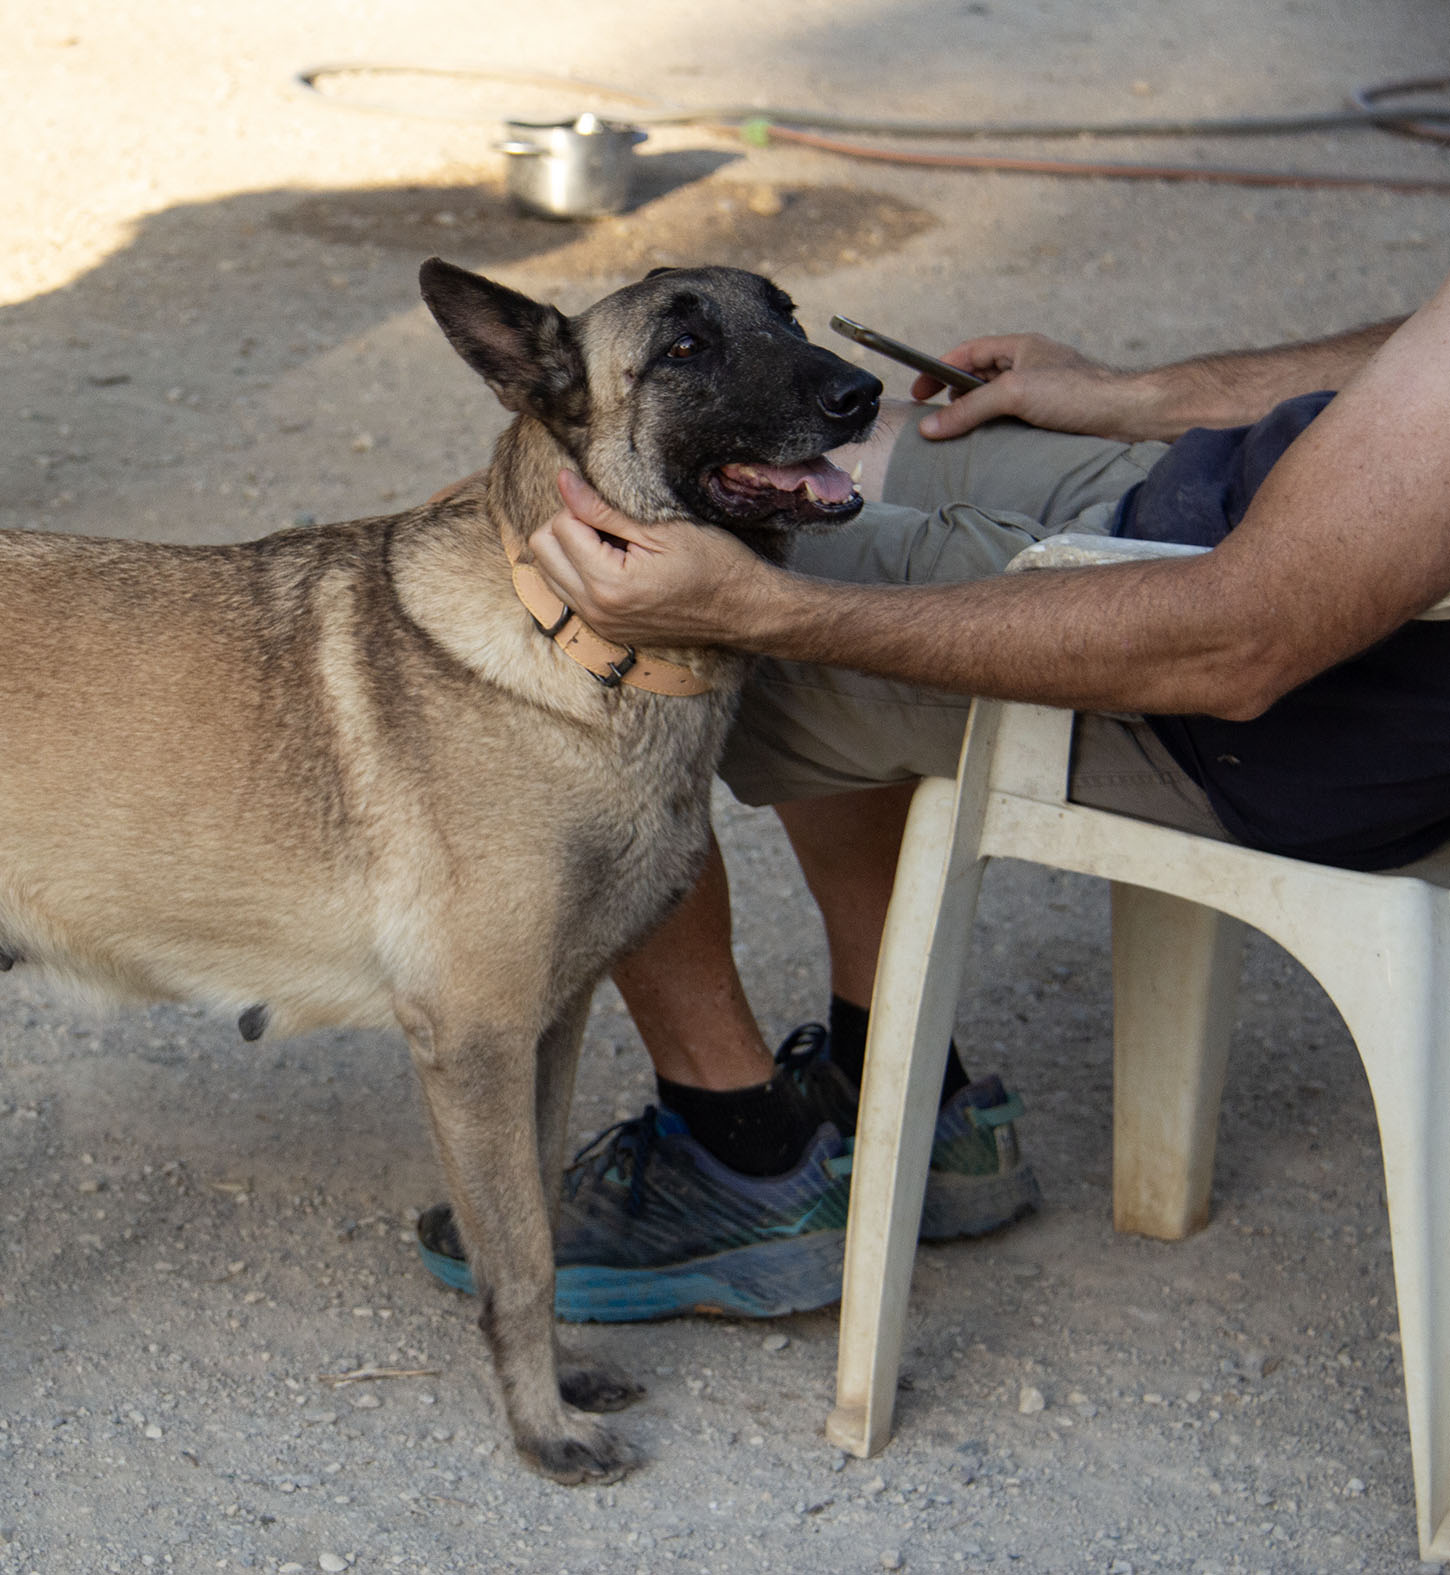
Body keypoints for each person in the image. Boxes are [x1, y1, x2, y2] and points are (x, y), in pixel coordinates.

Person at [415, 274, 1450, 1321]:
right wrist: (1137, 396)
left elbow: (1240, 644)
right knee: (821, 449)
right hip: (1259, 482)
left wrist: (774, 614)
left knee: (564, 572)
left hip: (1277, 686)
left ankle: (740, 1154)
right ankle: (900, 1083)